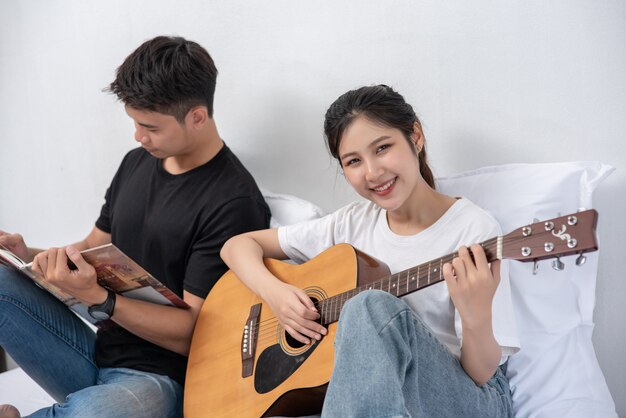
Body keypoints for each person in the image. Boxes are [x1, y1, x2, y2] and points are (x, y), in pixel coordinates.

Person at [0, 36, 270, 418]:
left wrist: (101, 300)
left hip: (166, 380)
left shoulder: (234, 203)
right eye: (134, 123)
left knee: (95, 414)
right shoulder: (136, 163)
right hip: (97, 351)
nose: (138, 137)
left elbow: (196, 334)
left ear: (197, 116)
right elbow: (91, 247)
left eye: (150, 127)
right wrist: (25, 254)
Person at [220, 85, 520, 417]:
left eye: (382, 148)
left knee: (369, 305)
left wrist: (476, 317)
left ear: (415, 136)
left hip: (470, 397)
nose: (372, 173)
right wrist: (276, 294)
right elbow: (237, 246)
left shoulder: (474, 230)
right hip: (373, 397)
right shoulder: (350, 225)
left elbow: (480, 374)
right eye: (353, 161)